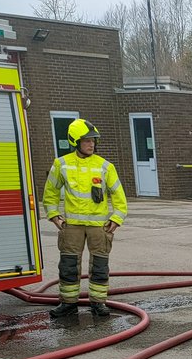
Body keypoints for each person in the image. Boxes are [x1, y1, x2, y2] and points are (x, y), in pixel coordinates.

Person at [42, 119, 128, 318]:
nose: (92, 144)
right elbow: (50, 193)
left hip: (99, 226)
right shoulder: (61, 164)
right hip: (72, 226)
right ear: (75, 141)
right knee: (68, 265)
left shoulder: (105, 166)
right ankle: (68, 303)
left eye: (93, 140)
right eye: (87, 140)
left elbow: (119, 196)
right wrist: (54, 216)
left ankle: (98, 303)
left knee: (99, 265)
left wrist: (116, 219)